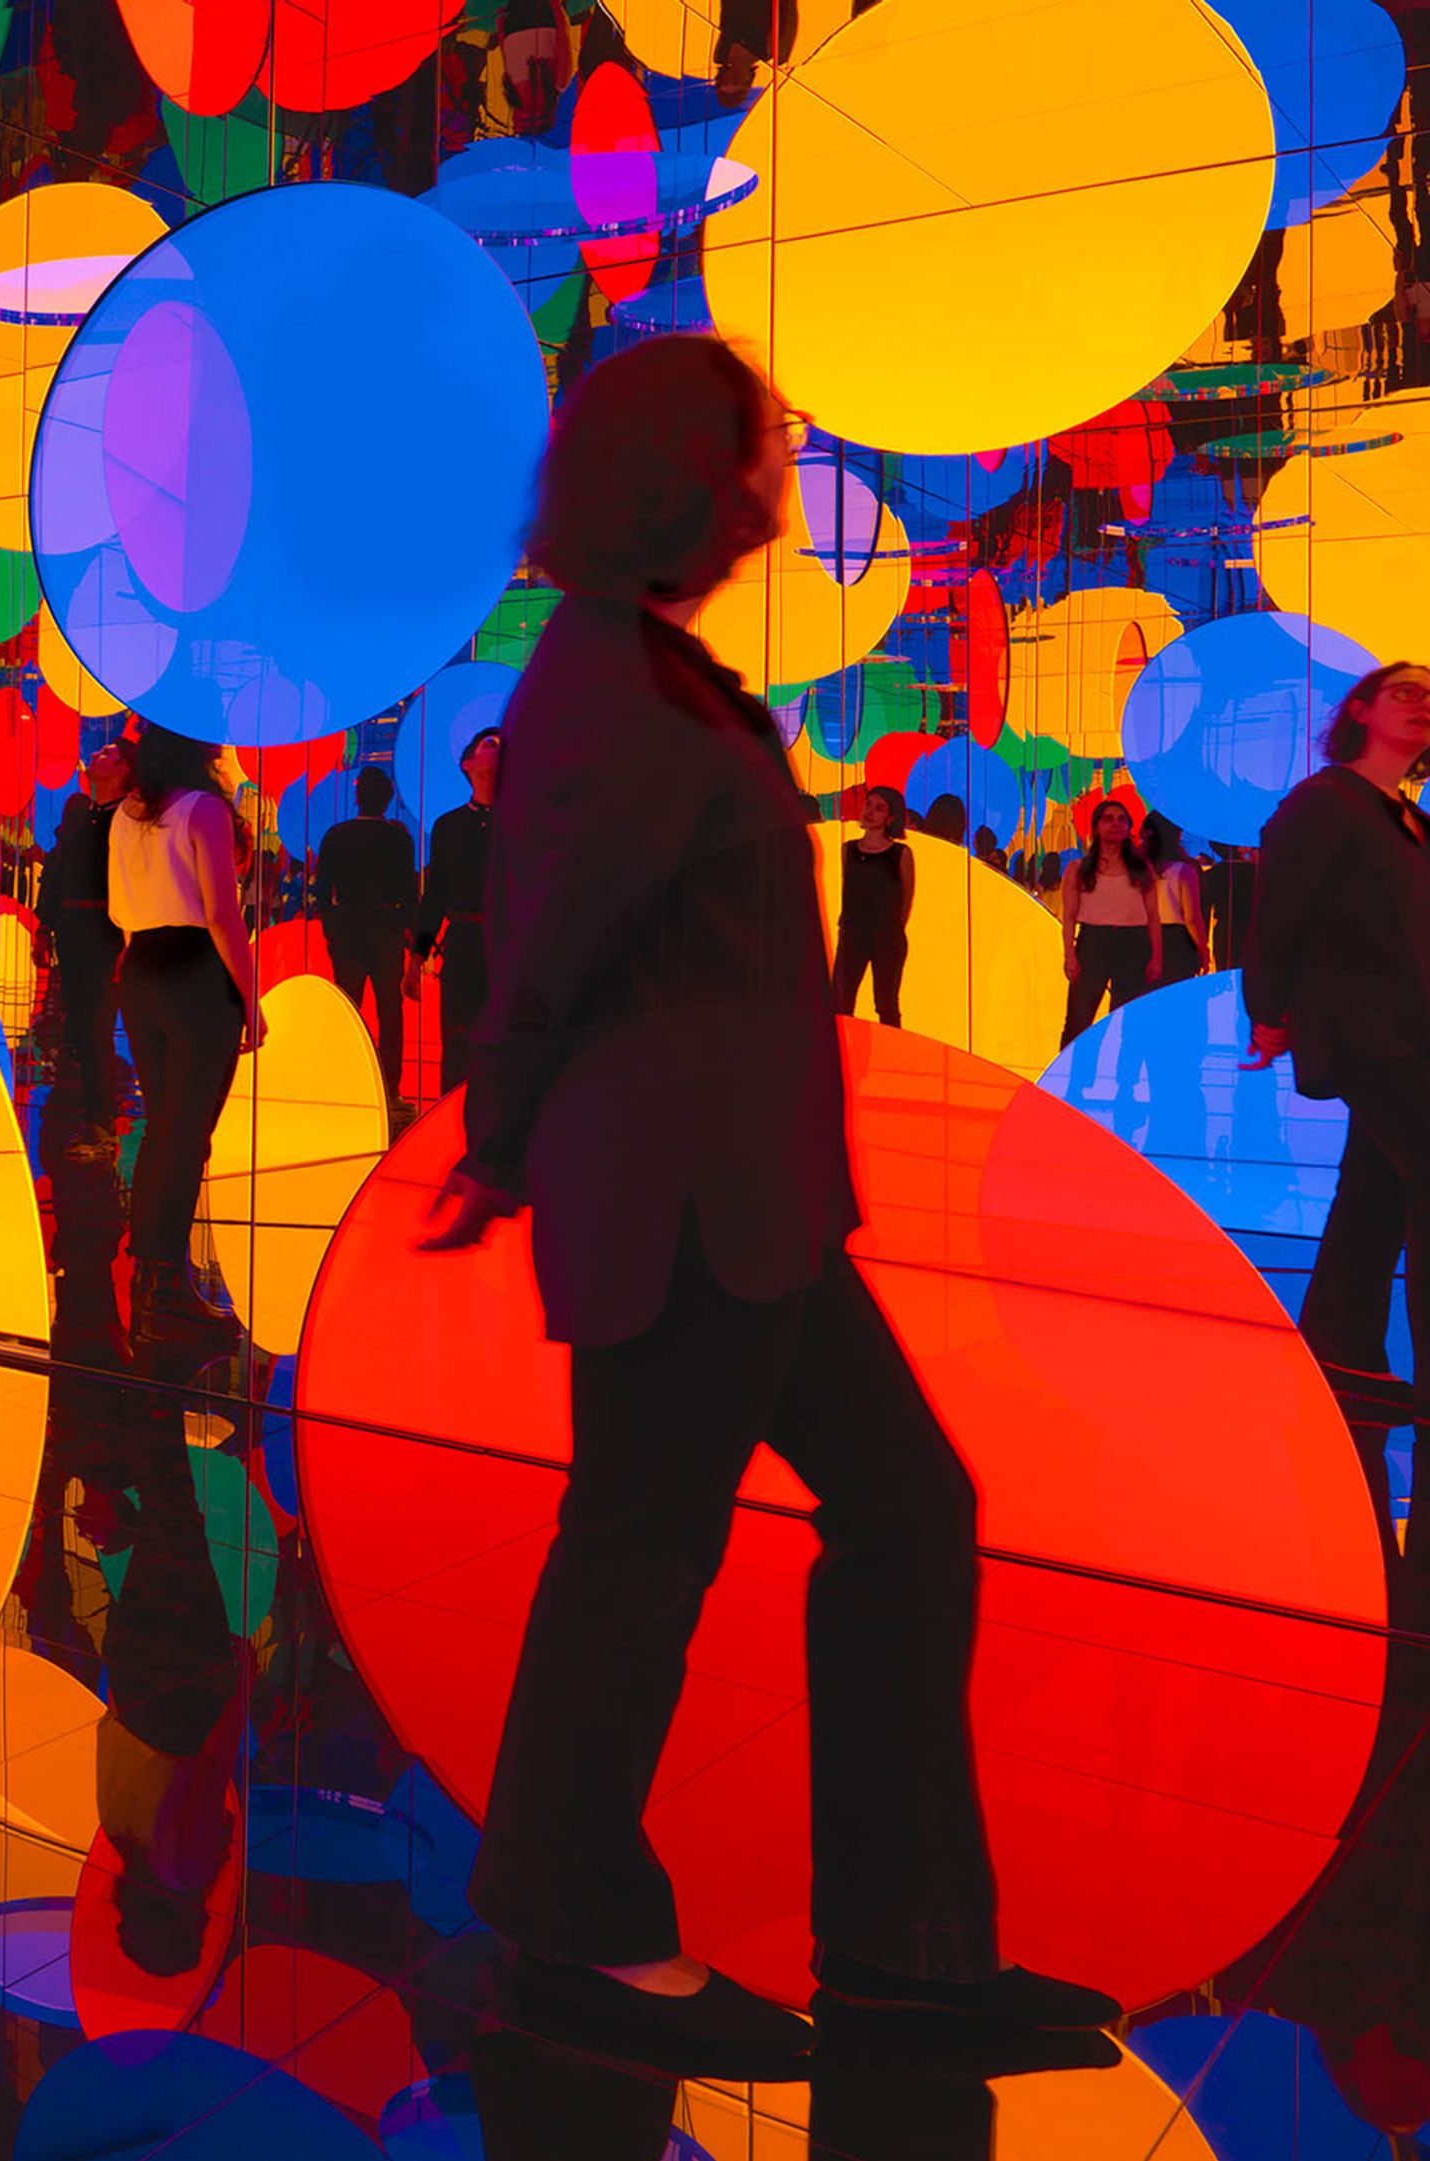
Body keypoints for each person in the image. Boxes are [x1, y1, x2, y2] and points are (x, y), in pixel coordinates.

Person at [413, 334, 1111, 2073]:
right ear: (682, 476)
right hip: (685, 1203)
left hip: (750, 1199)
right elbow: (553, 942)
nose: (777, 488)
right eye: (758, 455)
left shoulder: (643, 669)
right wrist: (494, 1142)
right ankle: (582, 1920)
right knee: (648, 1549)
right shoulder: (612, 685)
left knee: (890, 1509)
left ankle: (904, 1943)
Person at [1246, 659, 1430, 1450]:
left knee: (1378, 1189)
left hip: (1404, 1027)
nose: (1424, 705)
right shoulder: (1324, 803)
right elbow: (1280, 907)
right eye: (1406, 691)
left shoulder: (1405, 818)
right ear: (1360, 709)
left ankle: (1339, 1351)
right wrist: (1267, 1010)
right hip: (1366, 1029)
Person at [110, 725, 263, 1348]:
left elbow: (122, 908)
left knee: (164, 1127)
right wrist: (251, 1001)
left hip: (141, 965)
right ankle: (165, 1283)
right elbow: (223, 915)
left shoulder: (127, 811)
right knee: (187, 1131)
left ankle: (150, 1272)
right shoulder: (203, 810)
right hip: (196, 970)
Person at [313, 765, 420, 1106]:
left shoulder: (336, 836)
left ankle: (347, 1079)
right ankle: (390, 1087)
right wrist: (410, 933)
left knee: (349, 1007)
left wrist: (332, 928)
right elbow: (409, 890)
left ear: (357, 797)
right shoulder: (398, 839)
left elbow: (322, 888)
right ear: (387, 799)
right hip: (385, 928)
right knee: (391, 1009)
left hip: (347, 929)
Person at [41, 741, 131, 1141]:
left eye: (110, 753)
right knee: (80, 1023)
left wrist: (128, 942)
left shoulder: (127, 819)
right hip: (74, 933)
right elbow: (58, 873)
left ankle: (102, 1120)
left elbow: (131, 884)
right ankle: (90, 1114)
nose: (98, 754)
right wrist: (47, 928)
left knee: (96, 1029)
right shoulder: (86, 818)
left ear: (126, 770)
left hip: (104, 934)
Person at [417, 725, 501, 1079]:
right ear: (468, 763)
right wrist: (418, 955)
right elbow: (435, 893)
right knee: (457, 1040)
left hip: (508, 942)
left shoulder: (524, 820)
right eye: (491, 743)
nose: (500, 750)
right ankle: (448, 1119)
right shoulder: (448, 826)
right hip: (465, 942)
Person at [1058, 797, 1158, 1047]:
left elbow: (1153, 916)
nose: (1115, 824)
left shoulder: (1142, 869)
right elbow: (1068, 916)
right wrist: (1070, 954)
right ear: (1096, 826)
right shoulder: (1078, 868)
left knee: (1129, 1021)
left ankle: (1125, 1081)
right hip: (1093, 942)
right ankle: (1068, 1079)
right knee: (1078, 1020)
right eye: (1108, 819)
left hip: (1133, 944)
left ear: (1129, 827)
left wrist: (1157, 956)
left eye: (1121, 819)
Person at [829, 782, 915, 1029]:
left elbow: (906, 898)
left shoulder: (901, 853)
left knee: (886, 1003)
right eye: (868, 804)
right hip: (852, 933)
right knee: (840, 1001)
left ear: (890, 818)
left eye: (879, 808)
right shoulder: (849, 850)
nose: (869, 811)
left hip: (886, 936)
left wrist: (892, 929)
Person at [1145, 811, 1206, 984]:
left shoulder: (1137, 870)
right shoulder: (1184, 870)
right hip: (1177, 943)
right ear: (1176, 836)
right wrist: (1203, 950)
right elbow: (1192, 918)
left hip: (1141, 937)